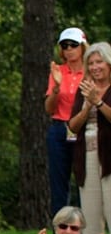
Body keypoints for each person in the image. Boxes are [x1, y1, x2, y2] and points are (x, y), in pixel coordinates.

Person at [69, 41, 111, 234]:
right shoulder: (84, 89)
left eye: (99, 62)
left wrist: (99, 102)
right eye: (91, 63)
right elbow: (73, 126)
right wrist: (87, 106)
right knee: (91, 221)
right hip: (87, 158)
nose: (95, 67)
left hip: (109, 158)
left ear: (109, 64)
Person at [46, 27, 88, 216]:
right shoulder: (58, 71)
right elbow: (49, 108)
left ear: (82, 47)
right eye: (65, 45)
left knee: (84, 182)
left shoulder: (90, 71)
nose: (69, 49)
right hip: (59, 128)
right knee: (58, 184)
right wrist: (56, 87)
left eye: (73, 45)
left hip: (83, 129)